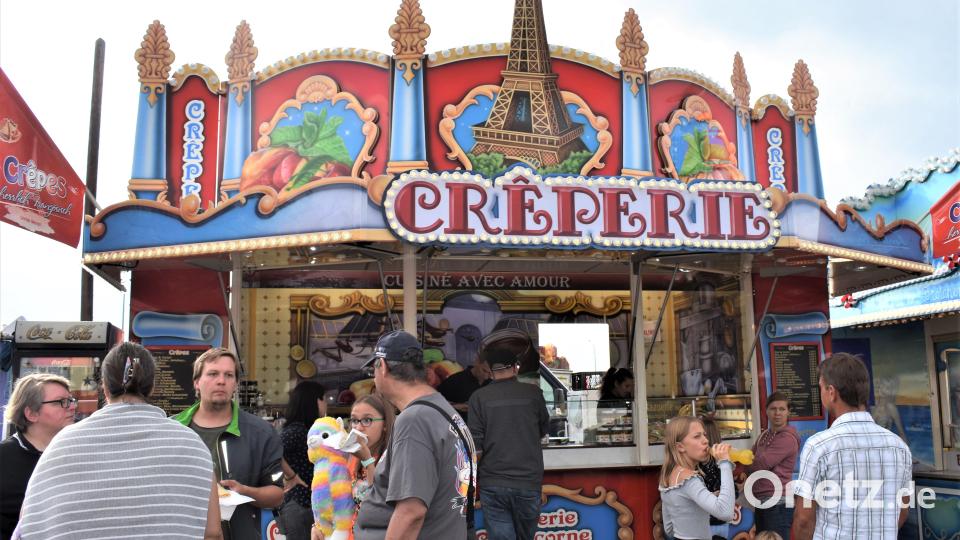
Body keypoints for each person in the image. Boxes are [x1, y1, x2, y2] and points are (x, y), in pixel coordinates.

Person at [17, 342, 222, 539]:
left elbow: (29, 525)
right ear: (152, 388)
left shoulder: (62, 445)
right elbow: (212, 532)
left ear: (104, 387)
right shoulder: (192, 444)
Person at [353, 330, 476, 540]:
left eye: (372, 370)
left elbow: (411, 512)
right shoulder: (443, 410)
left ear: (382, 367)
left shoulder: (415, 420)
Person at [792, 353, 912, 540]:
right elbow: (902, 511)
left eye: (821, 388)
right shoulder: (899, 447)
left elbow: (804, 520)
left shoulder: (819, 446)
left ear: (831, 392)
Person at [174, 347, 284, 540]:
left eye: (229, 375)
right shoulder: (173, 429)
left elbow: (277, 495)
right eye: (213, 374)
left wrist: (246, 491)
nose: (221, 381)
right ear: (196, 383)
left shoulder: (261, 433)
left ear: (235, 384)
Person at [468, 332, 549, 540]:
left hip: (492, 482)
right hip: (528, 481)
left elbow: (476, 443)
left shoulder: (478, 397)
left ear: (490, 371)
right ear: (515, 367)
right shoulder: (533, 394)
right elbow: (544, 430)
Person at [0, 373, 76, 540]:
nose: (71, 407)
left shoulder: (78, 452)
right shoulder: (4, 459)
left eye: (71, 400)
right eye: (60, 402)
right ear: (31, 414)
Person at [658, 416, 735, 540]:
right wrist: (725, 463)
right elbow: (726, 512)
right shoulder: (690, 479)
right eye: (697, 436)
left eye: (704, 435)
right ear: (680, 447)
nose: (705, 440)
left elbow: (669, 528)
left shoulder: (669, 476)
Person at [744, 391, 799, 539]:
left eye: (782, 409)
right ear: (766, 411)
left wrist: (745, 465)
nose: (777, 413)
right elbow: (749, 458)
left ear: (788, 412)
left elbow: (759, 464)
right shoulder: (764, 435)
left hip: (778, 504)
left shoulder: (787, 438)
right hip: (763, 501)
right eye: (773, 409)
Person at [278, 381, 327, 540]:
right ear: (315, 401)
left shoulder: (305, 430)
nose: (326, 404)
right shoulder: (297, 431)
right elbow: (271, 452)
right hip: (299, 504)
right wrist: (291, 476)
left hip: (307, 505)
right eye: (324, 399)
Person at [348, 393, 396, 524]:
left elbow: (377, 504)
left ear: (385, 424)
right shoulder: (354, 458)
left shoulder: (393, 458)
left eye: (367, 420)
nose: (358, 428)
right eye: (354, 420)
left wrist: (368, 462)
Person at [697, 416, 734, 540]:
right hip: (721, 522)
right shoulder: (723, 461)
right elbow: (734, 491)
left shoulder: (695, 464)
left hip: (703, 523)